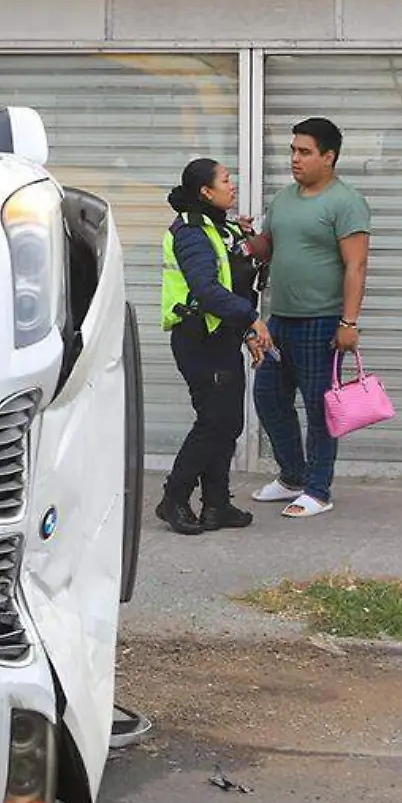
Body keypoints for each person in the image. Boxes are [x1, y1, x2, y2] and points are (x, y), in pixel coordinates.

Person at [247, 117, 373, 519]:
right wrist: (247, 238)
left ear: (329, 156)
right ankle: (292, 477)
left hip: (321, 322)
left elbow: (356, 266)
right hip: (279, 319)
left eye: (305, 152)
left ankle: (318, 490)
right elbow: (271, 250)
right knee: (267, 396)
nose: (295, 159)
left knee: (321, 409)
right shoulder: (283, 199)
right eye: (293, 150)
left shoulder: (346, 202)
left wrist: (348, 323)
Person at [154, 159, 276, 536]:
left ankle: (216, 505)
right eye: (225, 180)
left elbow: (233, 283)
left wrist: (245, 330)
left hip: (221, 336)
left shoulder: (217, 227)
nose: (233, 185)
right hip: (198, 339)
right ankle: (174, 497)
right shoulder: (191, 232)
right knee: (214, 423)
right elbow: (207, 291)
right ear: (206, 191)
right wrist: (252, 319)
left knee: (227, 424)